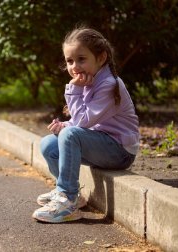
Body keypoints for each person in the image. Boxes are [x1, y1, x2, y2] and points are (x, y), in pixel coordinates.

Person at [32, 27, 139, 223]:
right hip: (101, 144)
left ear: (101, 58)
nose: (74, 66)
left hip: (120, 151)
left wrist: (73, 90)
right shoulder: (89, 81)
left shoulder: (108, 84)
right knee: (48, 144)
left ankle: (68, 200)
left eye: (81, 59)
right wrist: (64, 125)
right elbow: (82, 122)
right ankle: (67, 192)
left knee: (70, 134)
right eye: (69, 61)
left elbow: (83, 122)